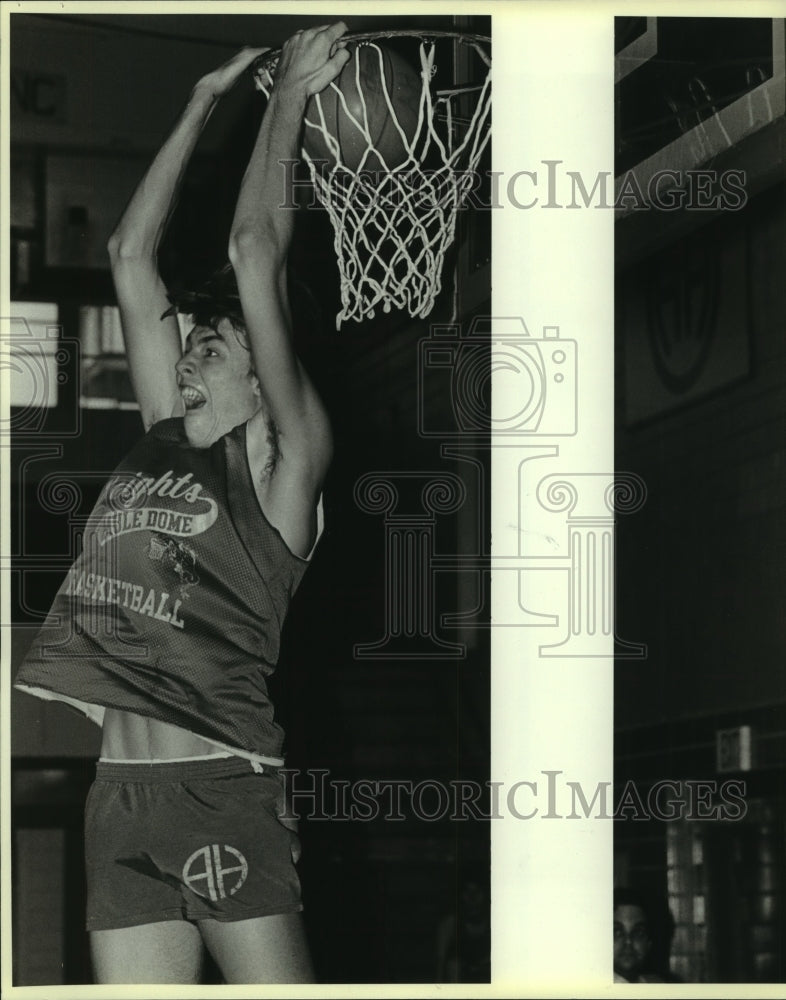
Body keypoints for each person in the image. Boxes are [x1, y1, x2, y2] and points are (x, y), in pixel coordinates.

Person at [14, 23, 351, 984]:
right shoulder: (165, 435)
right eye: (189, 342)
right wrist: (201, 103)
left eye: (212, 345)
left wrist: (286, 100)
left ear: (263, 379)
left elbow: (253, 248)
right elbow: (130, 253)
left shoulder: (286, 462)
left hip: (220, 787)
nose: (189, 353)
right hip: (119, 796)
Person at [613, 887, 667, 984]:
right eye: (617, 932)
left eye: (638, 933)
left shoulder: (657, 985)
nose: (628, 941)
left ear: (649, 943)